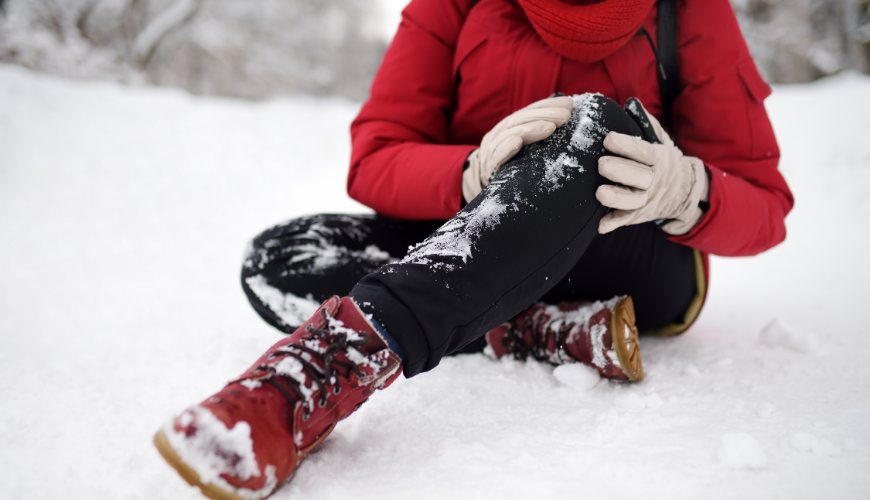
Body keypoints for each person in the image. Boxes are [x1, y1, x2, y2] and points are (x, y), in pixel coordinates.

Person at [153, 0, 793, 498]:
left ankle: (327, 366)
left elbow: (766, 204)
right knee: (282, 258)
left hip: (629, 258)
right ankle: (524, 328)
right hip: (473, 233)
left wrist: (686, 189)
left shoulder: (689, 9)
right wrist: (470, 170)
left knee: (594, 128)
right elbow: (376, 154)